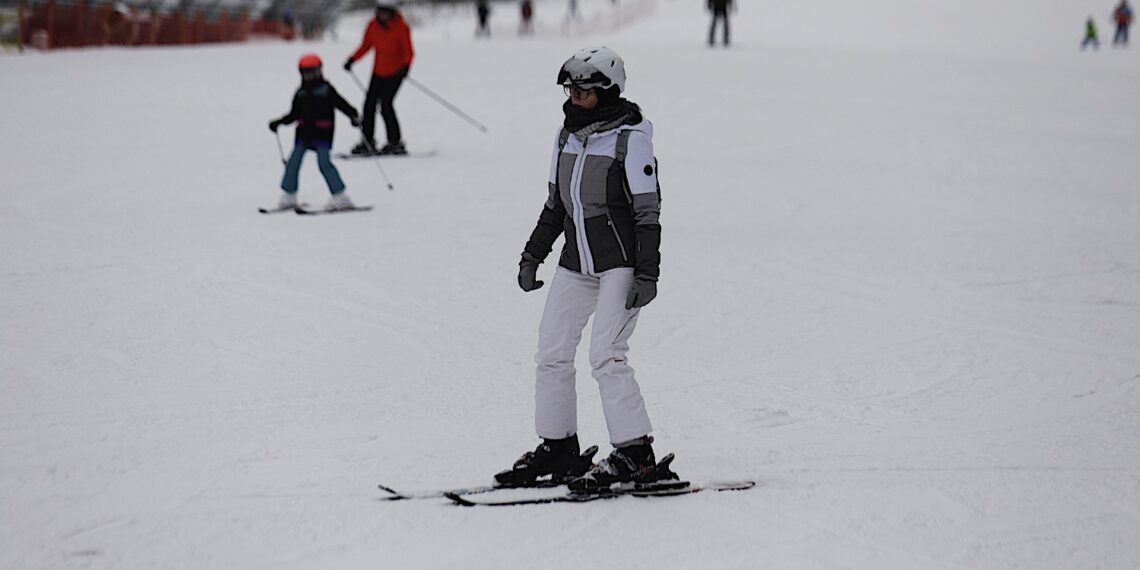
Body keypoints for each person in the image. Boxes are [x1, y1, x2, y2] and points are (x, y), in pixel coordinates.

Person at [495, 47, 669, 493]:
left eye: (584, 90)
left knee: (606, 355)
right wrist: (533, 255)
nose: (574, 96)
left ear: (607, 91)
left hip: (620, 265)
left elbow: (648, 213)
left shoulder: (632, 140)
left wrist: (647, 274)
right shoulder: (565, 136)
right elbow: (557, 205)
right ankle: (559, 447)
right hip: (576, 264)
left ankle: (635, 452)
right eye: (570, 88)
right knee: (551, 352)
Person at [268, 54, 361, 211]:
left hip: (322, 133)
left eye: (313, 72)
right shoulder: (300, 93)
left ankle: (340, 196)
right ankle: (289, 195)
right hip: (303, 133)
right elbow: (294, 114)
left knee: (324, 164)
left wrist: (353, 116)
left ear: (320, 71)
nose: (309, 76)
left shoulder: (326, 90)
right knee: (293, 163)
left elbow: (342, 105)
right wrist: (279, 122)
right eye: (305, 72)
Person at [344, 1, 414, 156]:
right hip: (378, 72)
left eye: (384, 11)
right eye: (379, 11)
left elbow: (408, 51)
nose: (381, 14)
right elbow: (366, 45)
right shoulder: (373, 26)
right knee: (369, 104)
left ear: (391, 12)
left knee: (386, 104)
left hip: (396, 73)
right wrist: (352, 59)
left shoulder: (401, 27)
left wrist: (405, 67)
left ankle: (395, 141)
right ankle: (368, 141)